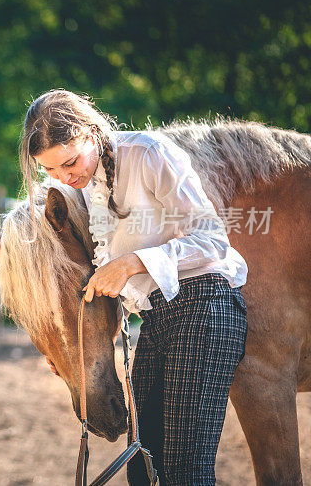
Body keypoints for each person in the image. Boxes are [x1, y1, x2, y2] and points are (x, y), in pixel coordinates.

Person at [20, 89, 248, 485]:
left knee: (184, 473)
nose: (65, 178)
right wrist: (65, 350)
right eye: (51, 171)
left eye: (70, 162)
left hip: (205, 305)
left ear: (91, 132)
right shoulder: (86, 190)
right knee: (142, 469)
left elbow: (213, 239)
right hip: (159, 318)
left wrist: (131, 263)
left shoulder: (148, 154)